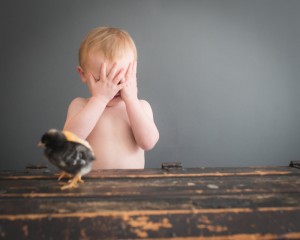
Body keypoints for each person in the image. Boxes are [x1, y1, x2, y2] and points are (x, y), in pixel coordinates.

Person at [63, 27, 159, 169]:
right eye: (102, 81)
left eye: (120, 80)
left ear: (133, 73)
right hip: (91, 188)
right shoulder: (80, 106)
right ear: (82, 74)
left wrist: (132, 100)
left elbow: (148, 142)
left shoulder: (141, 106)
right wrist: (99, 100)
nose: (112, 88)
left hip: (132, 187)